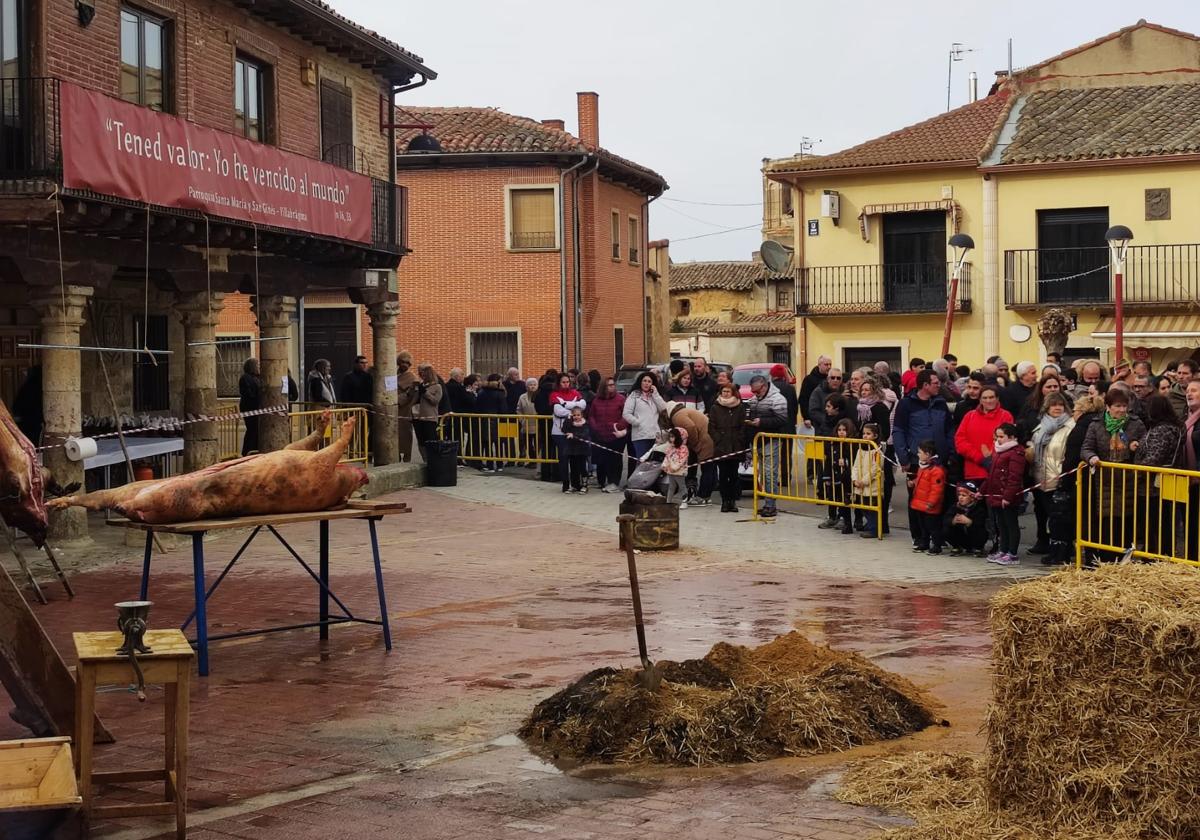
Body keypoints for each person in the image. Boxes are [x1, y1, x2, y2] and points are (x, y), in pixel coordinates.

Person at [1081, 389, 1146, 562]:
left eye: (1124, 406)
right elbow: (1086, 448)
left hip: (1129, 481)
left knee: (1127, 522)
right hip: (1104, 481)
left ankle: (1124, 559)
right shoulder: (1096, 424)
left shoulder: (1136, 423)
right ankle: (1105, 559)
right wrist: (1091, 457)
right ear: (1108, 407)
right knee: (1106, 521)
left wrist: (1136, 447)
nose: (1122, 410)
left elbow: (1145, 447)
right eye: (1117, 406)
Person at [1135, 394, 1184, 557]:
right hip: (1160, 484)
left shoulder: (1162, 430)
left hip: (1152, 486)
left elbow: (1154, 458)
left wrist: (1135, 469)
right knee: (1162, 523)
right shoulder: (1171, 428)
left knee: (1155, 524)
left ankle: (1155, 555)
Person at [1028, 392, 1072, 556]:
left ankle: (1061, 550)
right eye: (1053, 405)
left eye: (1060, 404)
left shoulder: (1069, 427)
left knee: (1059, 518)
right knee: (1047, 516)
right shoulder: (1041, 426)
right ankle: (1050, 547)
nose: (1057, 408)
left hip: (1059, 478)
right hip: (1041, 478)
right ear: (1047, 407)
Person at [745, 374, 790, 518]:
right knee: (764, 475)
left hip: (772, 441)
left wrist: (762, 422)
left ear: (764, 386)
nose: (755, 394)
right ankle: (767, 503)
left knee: (770, 474)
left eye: (757, 391)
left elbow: (782, 420)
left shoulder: (778, 399)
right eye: (753, 391)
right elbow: (750, 415)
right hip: (758, 441)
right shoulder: (753, 400)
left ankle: (771, 505)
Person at [954, 385, 1013, 484]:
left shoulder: (1005, 416)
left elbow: (1008, 441)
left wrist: (992, 459)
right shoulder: (969, 416)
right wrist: (980, 458)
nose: (988, 401)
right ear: (980, 400)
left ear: (997, 398)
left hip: (997, 471)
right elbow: (960, 441)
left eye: (991, 397)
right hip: (973, 471)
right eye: (984, 398)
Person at [986, 422, 1026, 566]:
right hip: (996, 494)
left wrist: (1008, 497)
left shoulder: (1016, 453)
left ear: (1012, 437)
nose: (998, 440)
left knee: (1011, 524)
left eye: (1001, 437)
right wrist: (982, 491)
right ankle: (1003, 550)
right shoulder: (998, 451)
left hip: (1008, 496)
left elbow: (1014, 477)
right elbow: (991, 474)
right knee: (1001, 524)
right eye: (997, 436)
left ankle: (1012, 553)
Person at [663, 399, 715, 505]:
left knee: (707, 469)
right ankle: (707, 496)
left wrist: (693, 443)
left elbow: (690, 427)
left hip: (705, 440)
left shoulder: (677, 416)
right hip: (710, 437)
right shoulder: (684, 411)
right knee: (711, 468)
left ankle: (702, 496)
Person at [708, 382, 746, 513]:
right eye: (723, 391)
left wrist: (740, 439)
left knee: (734, 475)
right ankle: (725, 501)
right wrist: (718, 439)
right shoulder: (715, 407)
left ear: (733, 393)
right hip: (721, 446)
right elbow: (711, 427)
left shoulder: (740, 407)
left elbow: (743, 425)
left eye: (728, 391)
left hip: (736, 446)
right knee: (723, 475)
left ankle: (733, 501)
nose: (725, 394)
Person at [587, 377, 628, 492]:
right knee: (601, 459)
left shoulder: (621, 399)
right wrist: (595, 427)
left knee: (615, 460)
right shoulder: (596, 400)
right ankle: (601, 482)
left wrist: (619, 426)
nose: (612, 387)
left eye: (613, 384)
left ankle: (614, 482)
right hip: (599, 435)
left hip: (615, 435)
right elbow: (591, 416)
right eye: (609, 385)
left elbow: (626, 415)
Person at [550, 373, 587, 493]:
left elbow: (583, 405)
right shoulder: (554, 394)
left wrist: (566, 405)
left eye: (567, 382)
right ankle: (565, 484)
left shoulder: (575, 393)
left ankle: (576, 484)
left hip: (575, 431)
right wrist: (573, 409)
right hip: (560, 432)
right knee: (564, 459)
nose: (566, 384)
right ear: (559, 383)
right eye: (563, 382)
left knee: (575, 459)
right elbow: (558, 411)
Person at [909, 439, 946, 554]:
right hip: (920, 502)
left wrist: (931, 502)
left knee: (933, 527)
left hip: (930, 505)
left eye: (920, 452)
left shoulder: (936, 470)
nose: (918, 454)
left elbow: (937, 489)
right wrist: (914, 482)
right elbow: (922, 481)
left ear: (928, 454)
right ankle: (924, 543)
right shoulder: (923, 467)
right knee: (923, 526)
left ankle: (937, 545)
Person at [623, 372, 666, 460]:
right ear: (640, 382)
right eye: (644, 381)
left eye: (649, 381)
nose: (646, 383)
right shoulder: (634, 395)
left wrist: (656, 394)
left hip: (655, 436)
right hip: (640, 436)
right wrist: (638, 422)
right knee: (642, 463)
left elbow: (663, 409)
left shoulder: (654, 395)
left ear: (652, 384)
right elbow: (626, 413)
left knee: (654, 464)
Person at [826, 417, 858, 535]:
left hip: (850, 478)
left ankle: (857, 521)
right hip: (837, 477)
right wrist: (827, 477)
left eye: (844, 430)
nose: (841, 432)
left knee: (853, 500)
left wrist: (846, 462)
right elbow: (828, 461)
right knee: (841, 500)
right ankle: (846, 523)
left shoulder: (854, 444)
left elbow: (855, 460)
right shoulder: (833, 443)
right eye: (839, 429)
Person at [852, 423, 884, 538]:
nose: (865, 436)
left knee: (872, 508)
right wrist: (855, 479)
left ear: (875, 436)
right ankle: (871, 525)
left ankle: (874, 529)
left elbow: (876, 469)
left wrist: (864, 481)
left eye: (868, 434)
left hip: (872, 486)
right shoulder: (860, 449)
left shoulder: (877, 450)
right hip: (860, 485)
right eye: (864, 433)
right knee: (862, 506)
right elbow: (855, 466)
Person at [474, 373, 508, 472]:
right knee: (498, 443)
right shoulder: (500, 393)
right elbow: (504, 409)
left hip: (484, 420)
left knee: (487, 443)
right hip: (497, 420)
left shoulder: (481, 392)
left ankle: (489, 465)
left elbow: (477, 407)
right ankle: (499, 464)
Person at [945, 480, 988, 557]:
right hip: (962, 537)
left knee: (981, 531)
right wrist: (952, 521)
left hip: (974, 537)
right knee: (946, 528)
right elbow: (946, 519)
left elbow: (983, 525)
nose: (960, 497)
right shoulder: (955, 507)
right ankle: (956, 547)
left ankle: (978, 548)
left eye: (964, 495)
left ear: (972, 498)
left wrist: (970, 522)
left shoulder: (979, 509)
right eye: (959, 495)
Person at [1017, 374, 1064, 442]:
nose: (1053, 389)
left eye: (1055, 386)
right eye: (1049, 387)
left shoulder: (1066, 403)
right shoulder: (1031, 405)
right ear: (1041, 388)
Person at [413, 363, 443, 457]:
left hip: (430, 418)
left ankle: (433, 458)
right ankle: (425, 459)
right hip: (419, 417)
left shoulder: (437, 387)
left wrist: (425, 393)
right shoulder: (422, 385)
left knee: (430, 440)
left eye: (424, 374)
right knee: (421, 441)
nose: (422, 376)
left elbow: (435, 401)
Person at [394, 352, 419, 462]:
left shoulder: (411, 377)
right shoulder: (394, 374)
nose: (404, 364)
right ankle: (396, 455)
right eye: (402, 362)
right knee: (395, 434)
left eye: (406, 362)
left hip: (404, 409)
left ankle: (407, 457)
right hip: (393, 409)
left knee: (405, 434)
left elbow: (411, 393)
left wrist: (398, 400)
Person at [563, 407, 592, 494]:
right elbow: (564, 429)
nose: (576, 417)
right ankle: (575, 485)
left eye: (578, 415)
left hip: (582, 450)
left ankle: (584, 485)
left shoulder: (585, 424)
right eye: (574, 415)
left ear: (582, 415)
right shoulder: (570, 423)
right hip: (571, 450)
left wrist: (574, 435)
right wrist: (568, 419)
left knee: (582, 468)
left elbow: (585, 434)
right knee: (573, 468)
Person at [11, 366, 43, 445]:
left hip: (27, 421)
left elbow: (16, 407)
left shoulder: (27, 386)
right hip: (33, 422)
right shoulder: (36, 386)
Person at [238, 357, 262, 455]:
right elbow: (249, 394)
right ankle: (247, 451)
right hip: (249, 407)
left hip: (256, 408)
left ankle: (253, 450)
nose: (259, 367)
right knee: (252, 430)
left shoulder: (256, 378)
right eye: (258, 365)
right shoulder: (245, 378)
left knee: (255, 430)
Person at [799, 356, 831, 428]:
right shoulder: (809, 379)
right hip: (813, 417)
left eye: (830, 364)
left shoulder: (831, 379)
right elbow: (803, 399)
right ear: (819, 365)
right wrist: (806, 417)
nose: (829, 367)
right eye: (826, 364)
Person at [516, 377, 540, 467]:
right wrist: (521, 420)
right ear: (526, 387)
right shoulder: (522, 397)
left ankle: (536, 460)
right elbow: (519, 410)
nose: (532, 387)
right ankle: (532, 460)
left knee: (538, 443)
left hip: (538, 424)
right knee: (528, 443)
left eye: (534, 385)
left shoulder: (539, 395)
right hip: (526, 424)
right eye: (530, 385)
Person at [663, 427, 690, 507]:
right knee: (671, 486)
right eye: (670, 437)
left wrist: (675, 467)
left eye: (673, 436)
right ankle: (668, 502)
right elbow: (667, 457)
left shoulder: (683, 448)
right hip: (671, 471)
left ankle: (684, 502)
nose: (671, 439)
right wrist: (664, 465)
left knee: (682, 486)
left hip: (679, 471)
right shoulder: (670, 448)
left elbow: (682, 460)